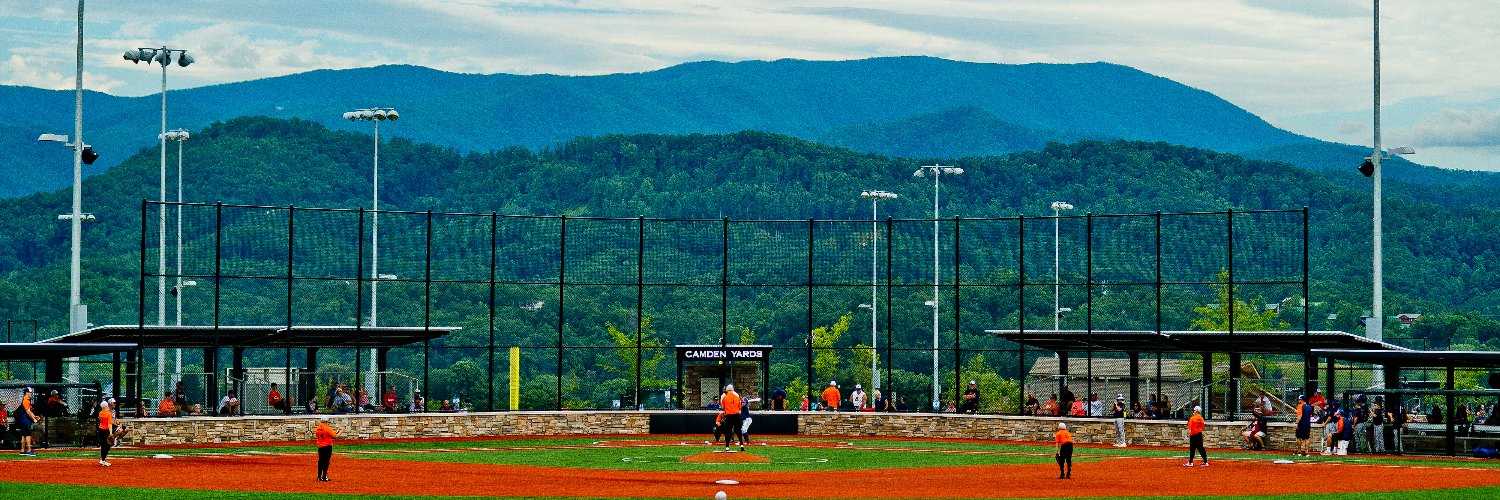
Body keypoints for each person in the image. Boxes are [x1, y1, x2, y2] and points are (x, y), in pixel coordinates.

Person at [719, 384, 744, 451]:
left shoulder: (724, 397)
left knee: (728, 431)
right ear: (732, 390)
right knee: (738, 430)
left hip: (729, 415)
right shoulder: (737, 397)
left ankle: (727, 447)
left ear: (727, 390)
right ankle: (741, 445)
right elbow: (739, 408)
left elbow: (723, 407)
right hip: (736, 415)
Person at [314, 416, 338, 482]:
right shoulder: (327, 428)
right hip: (327, 446)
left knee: (320, 461)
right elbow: (335, 436)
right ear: (326, 421)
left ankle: (319, 477)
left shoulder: (318, 428)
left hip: (320, 446)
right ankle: (324, 476)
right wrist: (341, 431)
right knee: (326, 461)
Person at [17, 387, 38, 456]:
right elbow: (28, 412)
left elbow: (29, 412)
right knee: (28, 435)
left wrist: (34, 416)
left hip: (24, 420)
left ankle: (22, 450)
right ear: (26, 393)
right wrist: (34, 419)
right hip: (26, 421)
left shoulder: (26, 400)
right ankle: (29, 450)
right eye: (30, 392)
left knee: (23, 435)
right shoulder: (26, 400)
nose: (31, 393)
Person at [96, 398, 115, 466]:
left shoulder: (100, 413)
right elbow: (109, 424)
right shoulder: (108, 413)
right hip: (106, 430)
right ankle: (103, 460)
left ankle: (102, 459)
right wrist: (110, 433)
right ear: (106, 406)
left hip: (101, 430)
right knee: (107, 445)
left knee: (103, 445)